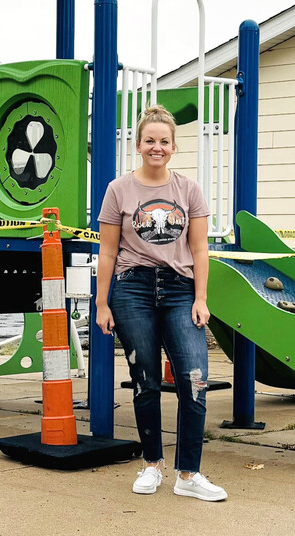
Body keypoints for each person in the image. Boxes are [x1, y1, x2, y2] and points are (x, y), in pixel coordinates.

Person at [95, 104, 227, 502]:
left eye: (164, 141)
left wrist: (201, 297)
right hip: (131, 288)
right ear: (138, 145)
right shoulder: (119, 189)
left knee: (194, 380)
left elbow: (200, 248)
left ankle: (189, 474)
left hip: (180, 289)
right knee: (145, 381)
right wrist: (102, 305)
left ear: (174, 147)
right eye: (150, 140)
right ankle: (152, 464)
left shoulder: (188, 189)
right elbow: (107, 252)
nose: (157, 147)